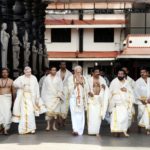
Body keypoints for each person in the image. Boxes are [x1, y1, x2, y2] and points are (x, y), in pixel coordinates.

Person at [12, 67, 46, 134]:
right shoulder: (21, 78)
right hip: (23, 97)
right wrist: (21, 85)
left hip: (31, 98)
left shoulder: (34, 78)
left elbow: (36, 88)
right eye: (27, 72)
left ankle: (31, 128)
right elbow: (14, 83)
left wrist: (37, 97)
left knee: (30, 113)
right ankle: (22, 129)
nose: (28, 73)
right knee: (23, 113)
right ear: (24, 72)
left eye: (30, 71)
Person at [109, 69, 135, 137]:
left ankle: (124, 131)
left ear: (124, 75)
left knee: (124, 118)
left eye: (121, 74)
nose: (120, 75)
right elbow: (110, 92)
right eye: (119, 74)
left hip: (124, 104)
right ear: (117, 74)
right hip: (116, 103)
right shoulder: (114, 82)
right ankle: (116, 131)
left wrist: (126, 90)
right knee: (116, 118)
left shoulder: (127, 82)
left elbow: (131, 92)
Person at [67, 65, 89, 136]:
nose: (78, 73)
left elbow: (87, 88)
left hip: (81, 99)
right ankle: (75, 129)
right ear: (74, 71)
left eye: (80, 72)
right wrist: (75, 84)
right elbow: (69, 89)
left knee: (81, 114)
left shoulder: (84, 78)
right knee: (74, 114)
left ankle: (80, 130)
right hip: (73, 98)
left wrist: (82, 83)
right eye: (77, 72)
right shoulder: (70, 78)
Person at [87, 67, 109, 136]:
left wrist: (104, 88)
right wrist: (89, 92)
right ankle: (91, 131)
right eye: (96, 72)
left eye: (98, 72)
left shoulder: (102, 79)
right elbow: (86, 89)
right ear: (92, 73)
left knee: (98, 117)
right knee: (91, 117)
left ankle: (97, 131)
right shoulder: (89, 80)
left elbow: (106, 89)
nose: (97, 73)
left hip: (99, 100)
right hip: (91, 100)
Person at [41, 66, 64, 131]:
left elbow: (61, 87)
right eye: (52, 70)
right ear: (50, 71)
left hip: (56, 97)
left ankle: (54, 126)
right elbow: (44, 89)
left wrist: (59, 95)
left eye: (55, 70)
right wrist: (43, 98)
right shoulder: (46, 79)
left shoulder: (58, 79)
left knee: (55, 113)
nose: (54, 71)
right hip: (48, 97)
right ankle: (48, 125)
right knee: (48, 112)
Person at [134, 68, 150, 135]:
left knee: (148, 115)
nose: (142, 73)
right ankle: (139, 125)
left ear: (147, 73)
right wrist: (141, 100)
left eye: (143, 72)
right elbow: (135, 92)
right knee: (141, 114)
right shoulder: (138, 82)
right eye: (141, 72)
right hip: (141, 101)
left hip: (149, 101)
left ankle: (147, 129)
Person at [57, 62, 72, 126]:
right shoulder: (57, 73)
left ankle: (64, 121)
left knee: (65, 107)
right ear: (60, 65)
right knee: (58, 106)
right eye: (62, 64)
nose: (63, 65)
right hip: (58, 91)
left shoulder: (69, 73)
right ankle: (59, 121)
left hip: (66, 91)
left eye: (64, 64)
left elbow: (71, 83)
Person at [0, 68, 13, 135]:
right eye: (3, 72)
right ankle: (1, 128)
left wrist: (14, 101)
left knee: (7, 113)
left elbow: (13, 92)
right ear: (1, 73)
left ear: (8, 73)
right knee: (1, 113)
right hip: (1, 98)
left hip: (8, 98)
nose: (4, 73)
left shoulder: (11, 81)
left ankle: (6, 128)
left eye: (6, 72)